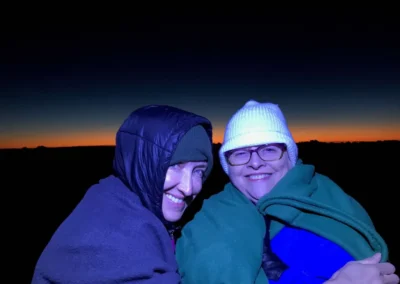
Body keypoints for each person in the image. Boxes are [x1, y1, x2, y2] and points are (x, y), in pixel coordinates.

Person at [175, 100, 399, 284]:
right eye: (241, 153)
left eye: (269, 150)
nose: (255, 163)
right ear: (228, 165)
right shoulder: (211, 225)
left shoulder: (330, 199)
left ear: (290, 157)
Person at [32, 104, 214, 283]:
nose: (189, 188)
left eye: (198, 171)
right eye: (174, 165)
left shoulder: (108, 196)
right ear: (141, 162)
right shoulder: (113, 244)